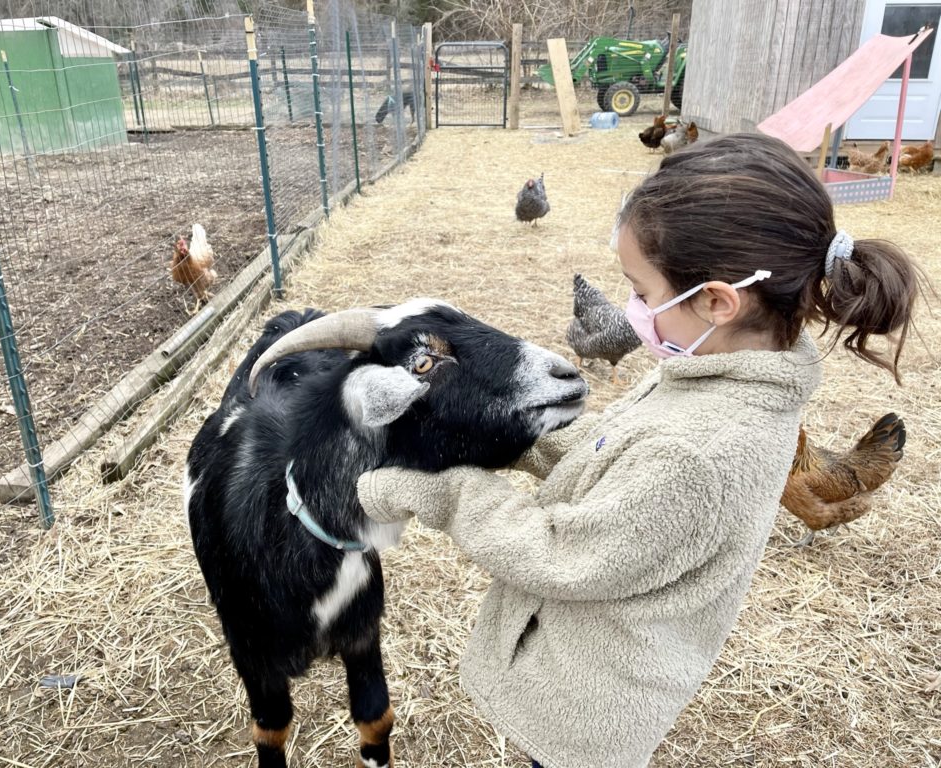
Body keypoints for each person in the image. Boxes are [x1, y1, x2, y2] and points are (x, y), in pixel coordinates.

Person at [355, 133, 922, 768]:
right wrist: (515, 434)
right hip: (591, 673)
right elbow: (616, 451)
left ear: (717, 301)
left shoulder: (698, 456)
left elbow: (559, 553)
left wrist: (437, 490)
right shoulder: (719, 364)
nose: (633, 311)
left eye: (643, 293)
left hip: (585, 707)